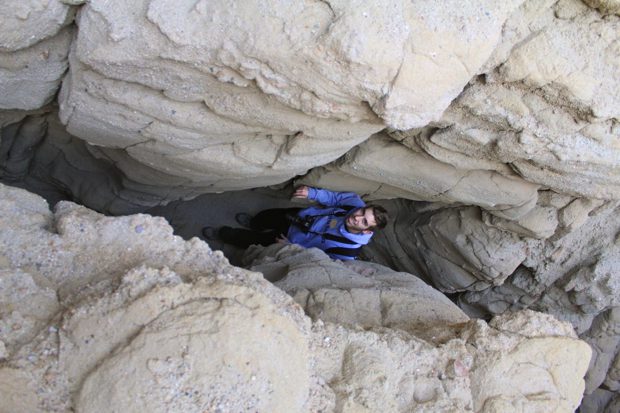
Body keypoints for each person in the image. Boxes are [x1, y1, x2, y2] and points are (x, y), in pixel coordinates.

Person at [202, 185, 388, 260]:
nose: (356, 216)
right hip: (298, 217)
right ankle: (254, 222)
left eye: (363, 221)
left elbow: (319, 260)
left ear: (367, 231)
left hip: (288, 240)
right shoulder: (354, 204)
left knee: (254, 240)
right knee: (267, 216)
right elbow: (334, 198)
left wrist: (291, 248)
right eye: (362, 211)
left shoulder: (348, 251)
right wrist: (312, 193)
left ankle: (223, 234)